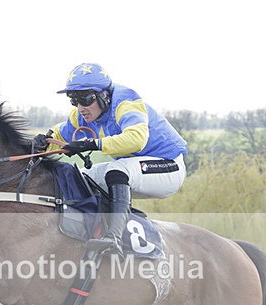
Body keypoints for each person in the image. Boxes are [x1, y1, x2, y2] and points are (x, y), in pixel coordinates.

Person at [35, 62, 188, 255]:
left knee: (117, 170)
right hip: (138, 168)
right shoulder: (83, 114)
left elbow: (137, 139)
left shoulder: (126, 102)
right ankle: (90, 230)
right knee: (79, 176)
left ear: (104, 95)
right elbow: (59, 136)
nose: (81, 107)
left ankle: (114, 238)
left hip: (168, 166)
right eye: (74, 100)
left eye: (85, 98)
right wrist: (41, 142)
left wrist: (92, 144)